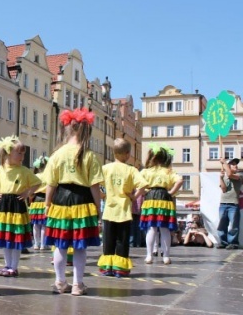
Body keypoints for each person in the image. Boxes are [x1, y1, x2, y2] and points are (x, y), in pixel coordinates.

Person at [44, 107, 103, 296]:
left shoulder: (56, 155)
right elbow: (94, 186)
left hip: (60, 201)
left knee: (60, 245)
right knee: (79, 246)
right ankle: (78, 284)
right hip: (82, 201)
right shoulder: (89, 155)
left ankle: (60, 282)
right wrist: (97, 207)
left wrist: (47, 204)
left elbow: (51, 184)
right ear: (87, 131)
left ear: (68, 129)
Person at [0, 135, 41, 278]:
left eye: (23, 153)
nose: (22, 156)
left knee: (15, 237)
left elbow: (37, 183)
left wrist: (27, 192)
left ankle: (14, 266)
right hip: (3, 204)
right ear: (8, 153)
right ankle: (7, 264)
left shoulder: (23, 171)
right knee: (6, 237)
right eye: (19, 153)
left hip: (17, 204)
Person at [97, 138, 148, 278]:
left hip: (109, 209)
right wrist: (134, 196)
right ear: (127, 154)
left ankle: (107, 267)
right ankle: (120, 269)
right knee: (122, 240)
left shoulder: (106, 168)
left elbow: (94, 183)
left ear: (113, 152)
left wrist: (103, 195)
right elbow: (143, 185)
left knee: (108, 240)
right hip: (124, 210)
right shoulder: (131, 170)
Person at [139, 143, 183, 265]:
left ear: (152, 158)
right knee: (165, 229)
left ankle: (149, 256)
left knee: (151, 228)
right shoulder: (168, 171)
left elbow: (139, 183)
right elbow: (180, 180)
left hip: (151, 199)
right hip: (165, 198)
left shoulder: (146, 171)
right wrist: (172, 192)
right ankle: (166, 256)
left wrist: (144, 191)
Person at [217, 157, 242, 250]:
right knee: (222, 224)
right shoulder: (225, 175)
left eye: (236, 164)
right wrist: (221, 178)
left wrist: (224, 163)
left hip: (233, 204)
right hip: (223, 203)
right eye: (233, 164)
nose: (236, 165)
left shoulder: (239, 175)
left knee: (234, 225)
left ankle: (233, 242)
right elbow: (223, 189)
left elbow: (230, 174)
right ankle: (223, 242)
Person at [28, 155, 50, 251]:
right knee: (44, 224)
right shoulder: (48, 176)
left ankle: (36, 244)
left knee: (35, 224)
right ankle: (43, 244)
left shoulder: (35, 176)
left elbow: (30, 189)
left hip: (35, 201)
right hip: (45, 200)